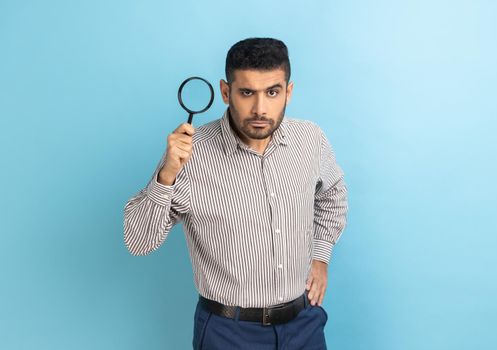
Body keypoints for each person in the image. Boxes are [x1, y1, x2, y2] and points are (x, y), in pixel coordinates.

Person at [124, 37, 348, 349]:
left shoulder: (310, 139)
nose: (260, 108)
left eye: (272, 92)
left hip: (303, 325)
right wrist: (166, 175)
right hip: (229, 333)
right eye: (247, 93)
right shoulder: (191, 155)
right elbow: (138, 242)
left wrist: (320, 256)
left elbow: (332, 196)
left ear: (289, 92)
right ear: (226, 92)